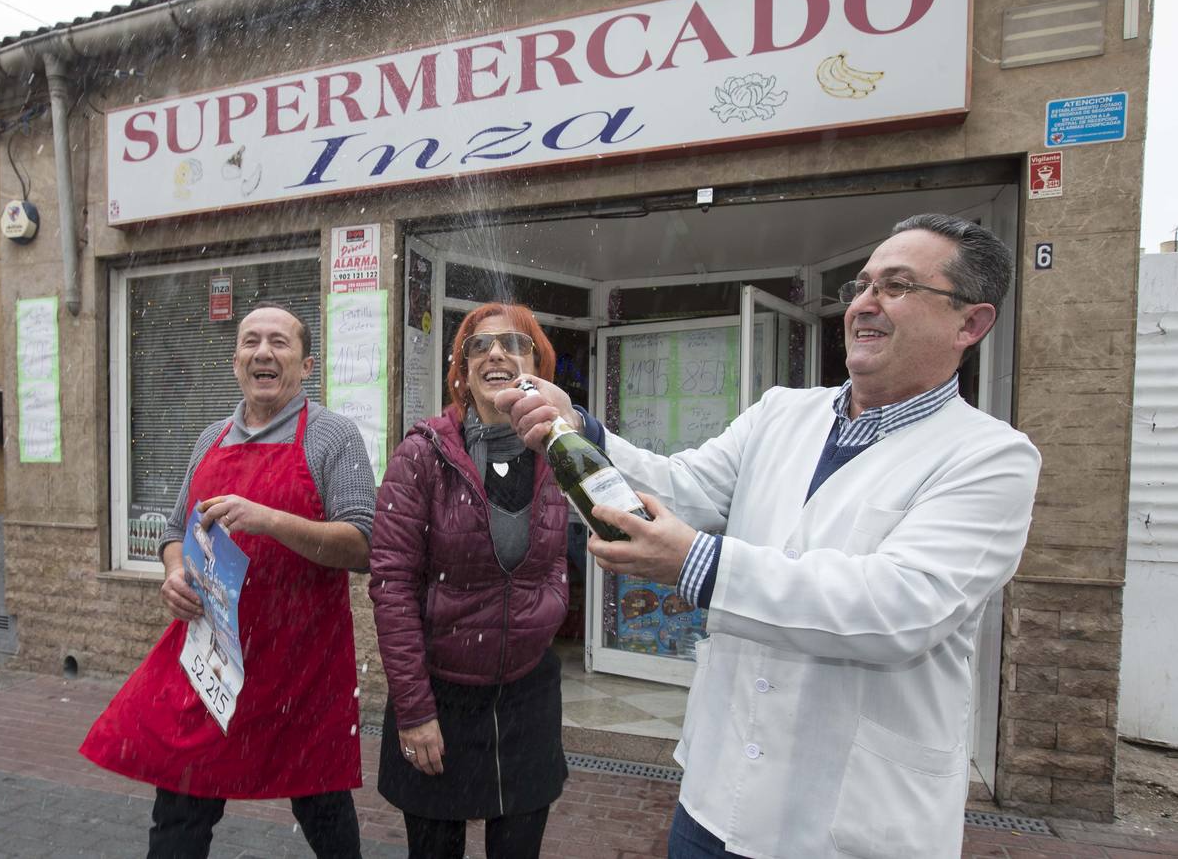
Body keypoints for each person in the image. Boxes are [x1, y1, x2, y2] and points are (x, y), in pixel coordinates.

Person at [498, 214, 1042, 859]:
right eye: (861, 285)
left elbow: (903, 607)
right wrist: (580, 432)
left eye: (896, 287)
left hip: (854, 822)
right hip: (716, 798)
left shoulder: (991, 457)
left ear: (970, 324)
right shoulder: (782, 411)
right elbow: (682, 491)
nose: (864, 305)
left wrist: (697, 565)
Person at [80, 303, 375, 859]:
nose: (263, 352)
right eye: (250, 342)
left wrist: (267, 520)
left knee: (323, 809)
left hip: (301, 663)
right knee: (180, 811)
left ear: (306, 364)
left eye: (280, 343)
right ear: (235, 360)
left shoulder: (334, 437)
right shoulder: (210, 438)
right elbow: (174, 531)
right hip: (212, 661)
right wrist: (172, 573)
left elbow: (363, 544)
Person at [369, 303, 570, 859]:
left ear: (538, 367)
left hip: (528, 696)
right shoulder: (422, 456)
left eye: (514, 344)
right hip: (441, 698)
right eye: (479, 346)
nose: (497, 353)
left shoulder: (560, 452)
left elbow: (563, 554)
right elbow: (391, 585)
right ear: (461, 371)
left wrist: (551, 604)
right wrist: (414, 710)